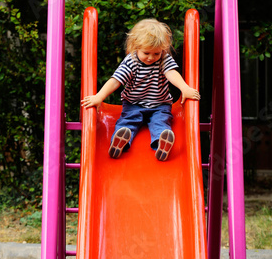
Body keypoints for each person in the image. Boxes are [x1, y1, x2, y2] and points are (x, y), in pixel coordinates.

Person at [81, 18, 200, 161]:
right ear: (136, 46)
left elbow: (172, 73)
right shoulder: (131, 61)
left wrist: (184, 88)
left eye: (156, 53)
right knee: (128, 121)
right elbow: (116, 80)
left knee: (161, 121)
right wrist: (99, 97)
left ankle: (162, 142)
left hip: (160, 104)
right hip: (133, 104)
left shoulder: (163, 59)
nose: (151, 58)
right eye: (146, 53)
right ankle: (121, 140)